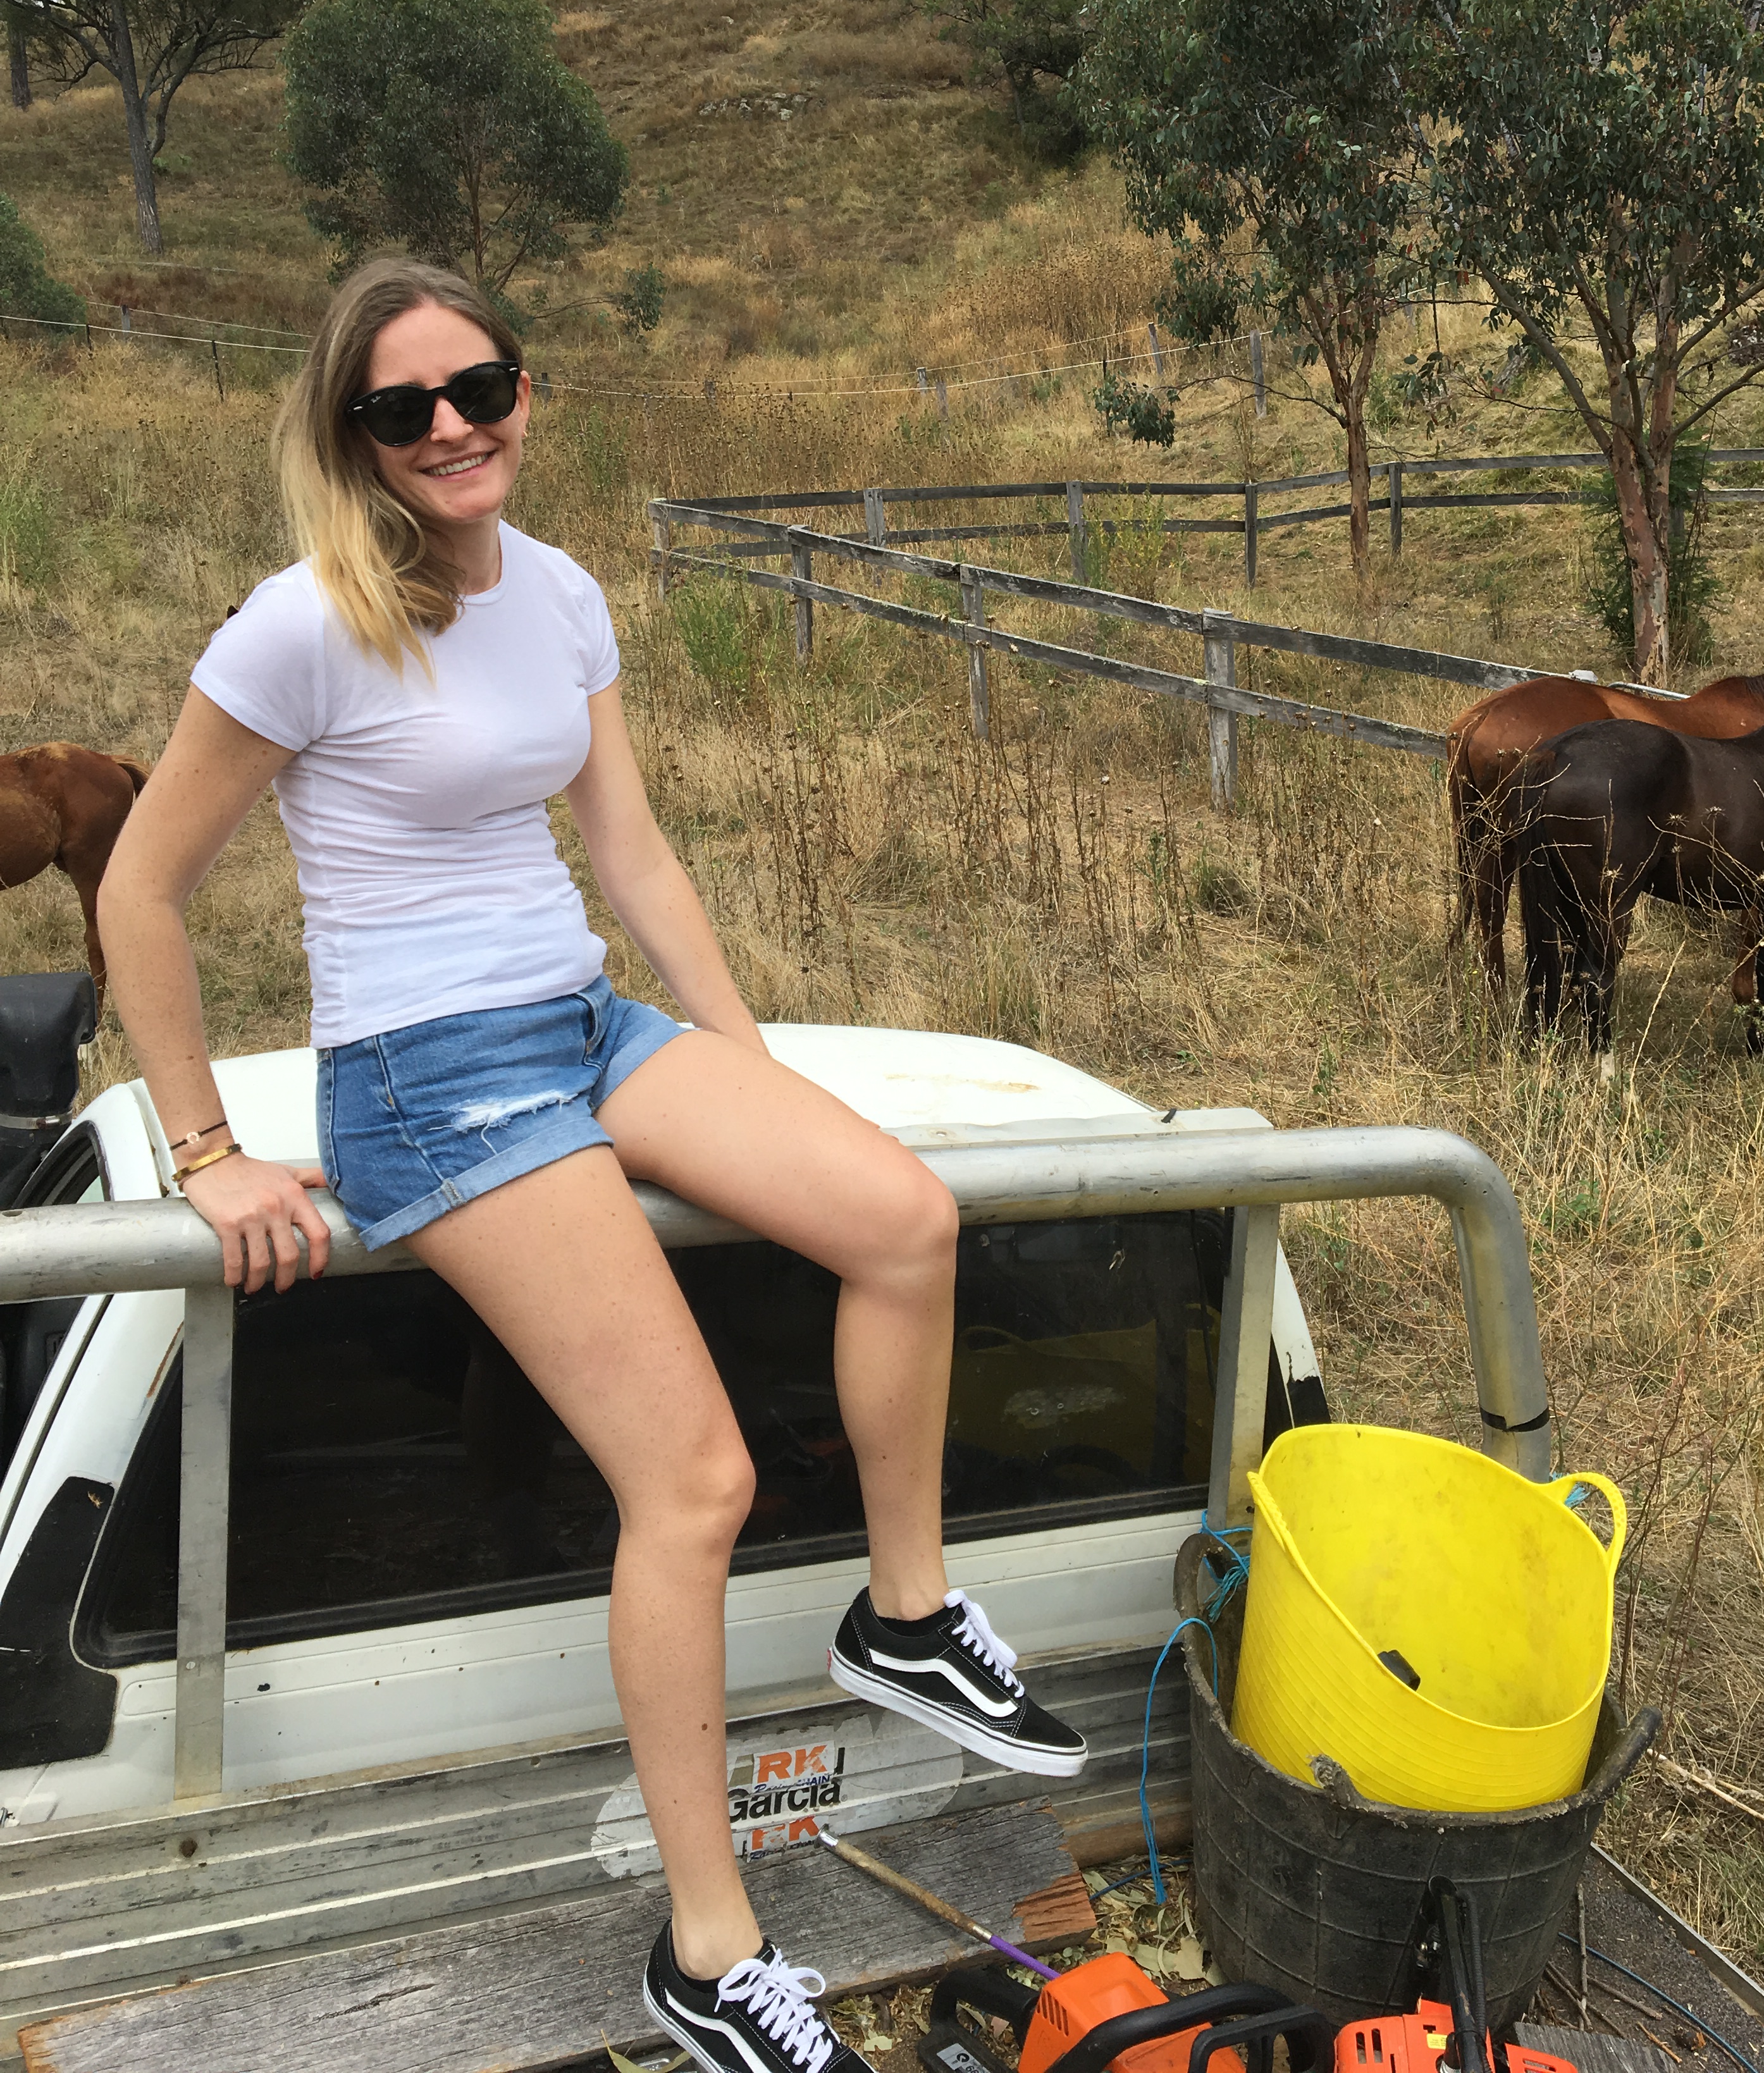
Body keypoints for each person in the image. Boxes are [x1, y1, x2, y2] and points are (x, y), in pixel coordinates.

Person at [99, 258, 1088, 2073]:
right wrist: (210, 1150)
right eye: (403, 409)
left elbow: (629, 852)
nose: (451, 428)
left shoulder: (559, 590)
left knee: (904, 1215)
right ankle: (711, 1954)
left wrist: (744, 1064)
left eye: (477, 388)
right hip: (427, 1080)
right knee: (697, 1481)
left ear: (524, 391)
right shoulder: (302, 626)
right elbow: (139, 889)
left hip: (584, 1022)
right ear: (353, 437)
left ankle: (908, 1612)